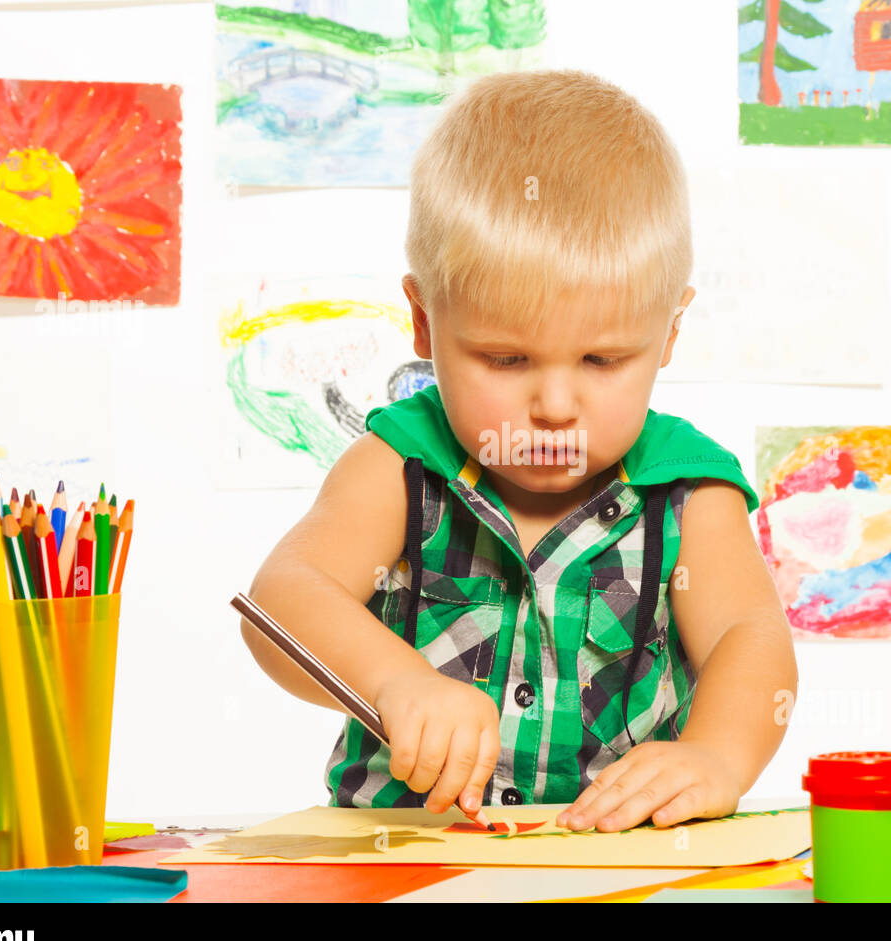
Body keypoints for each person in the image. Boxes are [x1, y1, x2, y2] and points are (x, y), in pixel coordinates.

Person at [242, 69, 797, 832]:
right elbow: (279, 601)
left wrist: (716, 757)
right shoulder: (401, 466)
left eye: (602, 361)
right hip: (406, 862)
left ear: (669, 331)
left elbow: (751, 638)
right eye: (507, 360)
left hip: (620, 865)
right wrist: (394, 681)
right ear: (424, 321)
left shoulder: (690, 492)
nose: (556, 405)